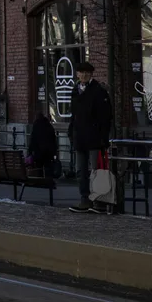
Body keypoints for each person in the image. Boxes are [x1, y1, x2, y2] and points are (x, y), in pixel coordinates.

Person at [67, 61, 113, 213]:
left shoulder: (99, 91)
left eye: (87, 72)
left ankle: (99, 202)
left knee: (96, 171)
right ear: (77, 74)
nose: (84, 75)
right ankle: (84, 199)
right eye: (81, 72)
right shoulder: (75, 90)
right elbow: (73, 115)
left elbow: (106, 117)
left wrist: (103, 138)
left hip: (95, 138)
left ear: (91, 74)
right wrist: (71, 133)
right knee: (80, 171)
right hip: (80, 137)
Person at [27, 112, 59, 179]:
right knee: (48, 166)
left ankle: (40, 178)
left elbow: (32, 140)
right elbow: (54, 140)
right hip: (49, 153)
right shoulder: (49, 126)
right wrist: (55, 152)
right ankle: (48, 178)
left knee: (39, 165)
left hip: (39, 153)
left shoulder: (36, 126)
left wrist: (29, 152)